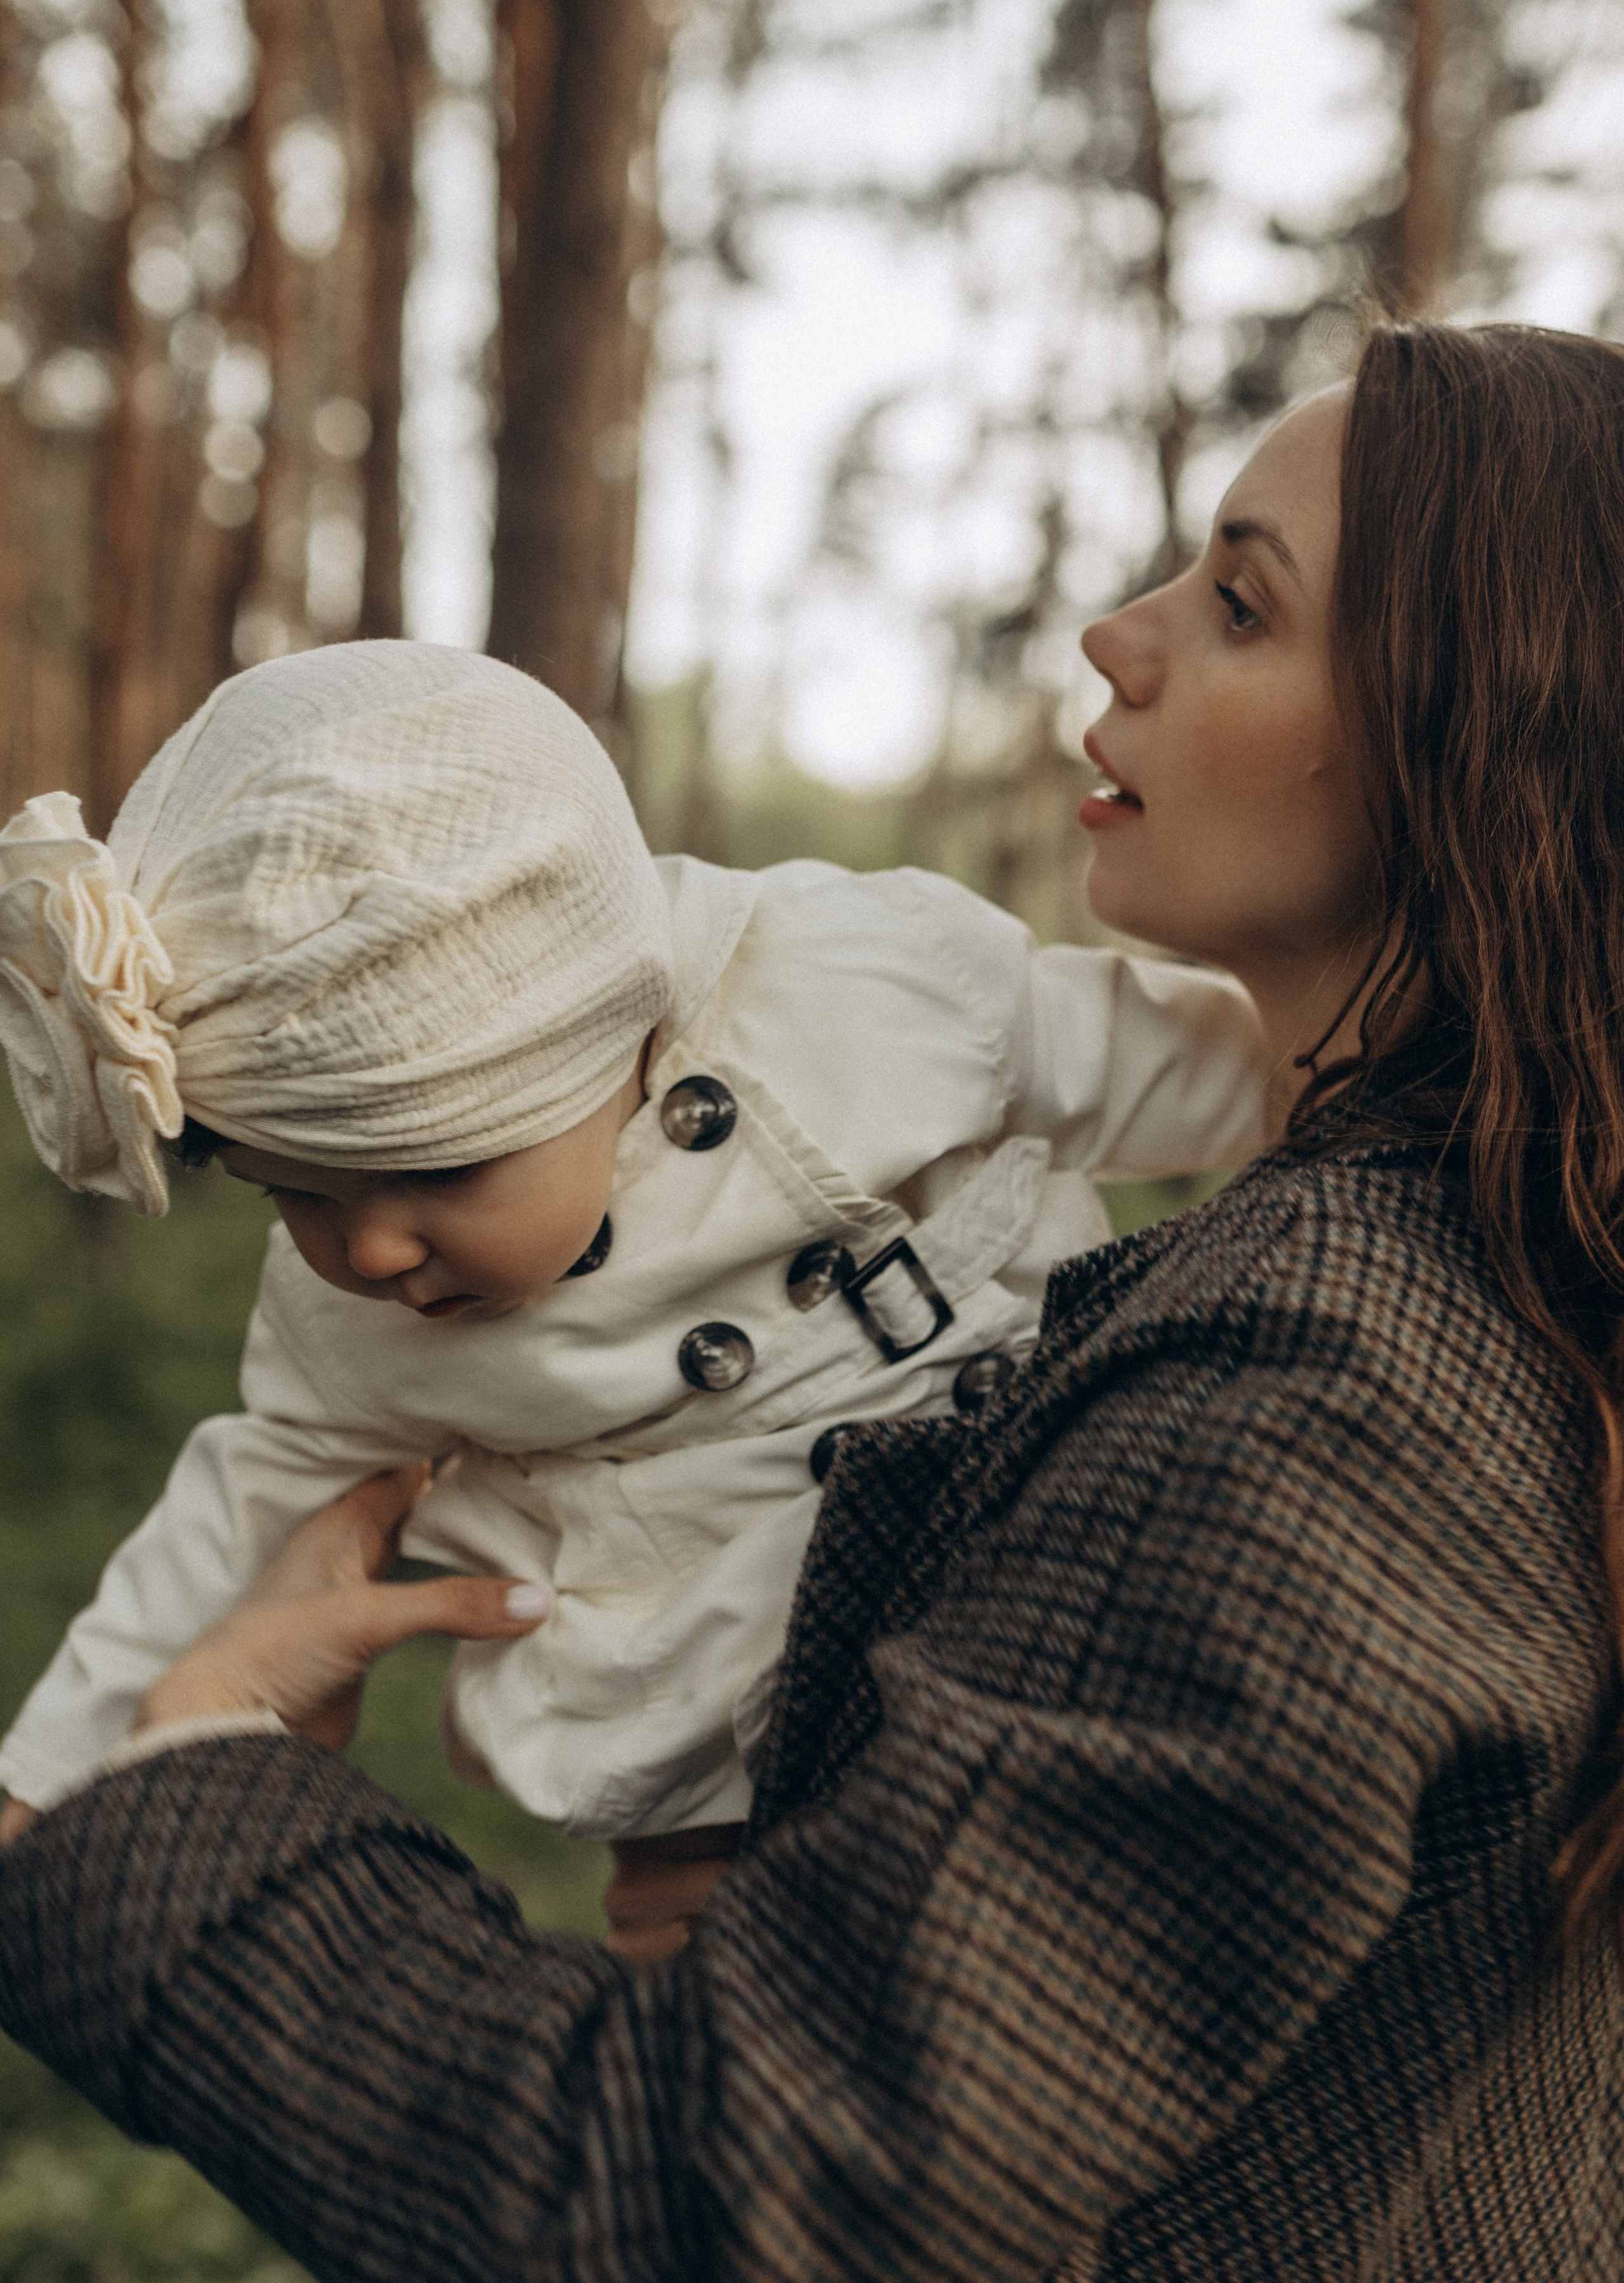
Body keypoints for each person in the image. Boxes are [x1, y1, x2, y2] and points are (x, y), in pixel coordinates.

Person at [3, 318, 1623, 2283]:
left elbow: (707, 2241)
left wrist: (192, 1797)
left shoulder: (1336, 1396)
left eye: (1239, 601)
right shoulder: (1481, 1272)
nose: (1120, 635)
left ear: (1490, 736)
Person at [0, 641, 1266, 1870]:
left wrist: (1411, 1075)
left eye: (438, 1171)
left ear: (610, 1024)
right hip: (720, 1805)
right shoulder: (349, 1334)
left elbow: (1169, 1062)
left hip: (1085, 1593)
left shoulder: (860, 985)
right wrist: (39, 1787)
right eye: (292, 1195)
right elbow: (238, 1515)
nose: (371, 1249)